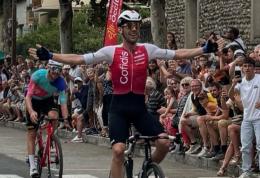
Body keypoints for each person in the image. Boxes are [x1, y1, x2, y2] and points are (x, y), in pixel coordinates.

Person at [29, 10, 218, 178]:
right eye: (130, 26)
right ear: (121, 29)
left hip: (139, 108)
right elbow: (79, 58)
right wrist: (52, 56)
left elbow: (178, 54)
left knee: (163, 143)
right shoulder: (111, 51)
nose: (134, 29)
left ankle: (146, 169)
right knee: (119, 151)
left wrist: (203, 49)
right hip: (118, 108)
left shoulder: (148, 49)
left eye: (137, 26)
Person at [25, 60, 69, 177]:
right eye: (54, 71)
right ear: (49, 68)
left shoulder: (61, 82)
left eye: (58, 72)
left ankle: (50, 137)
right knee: (32, 132)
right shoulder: (38, 75)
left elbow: (63, 103)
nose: (55, 75)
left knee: (54, 116)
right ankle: (33, 166)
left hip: (47, 100)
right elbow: (28, 96)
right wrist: (31, 111)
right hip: (33, 100)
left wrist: (66, 119)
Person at [229, 57, 260, 178]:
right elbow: (232, 96)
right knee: (246, 146)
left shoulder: (259, 79)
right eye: (245, 66)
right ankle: (246, 171)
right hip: (247, 119)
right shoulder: (240, 82)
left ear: (253, 68)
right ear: (242, 68)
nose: (247, 68)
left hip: (259, 118)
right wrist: (233, 85)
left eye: (249, 66)